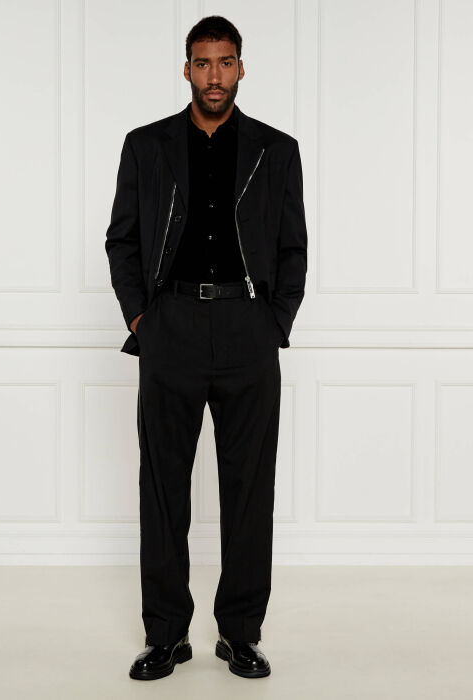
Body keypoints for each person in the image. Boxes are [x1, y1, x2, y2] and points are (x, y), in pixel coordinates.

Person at [105, 15, 307, 681]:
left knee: (249, 490)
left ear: (241, 68)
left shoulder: (277, 150)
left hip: (248, 329)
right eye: (202, 62)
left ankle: (240, 634)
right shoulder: (147, 146)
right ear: (186, 69)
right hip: (172, 327)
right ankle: (166, 635)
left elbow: (293, 248)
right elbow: (122, 239)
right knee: (163, 488)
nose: (214, 75)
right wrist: (142, 318)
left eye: (225, 62)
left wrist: (274, 323)